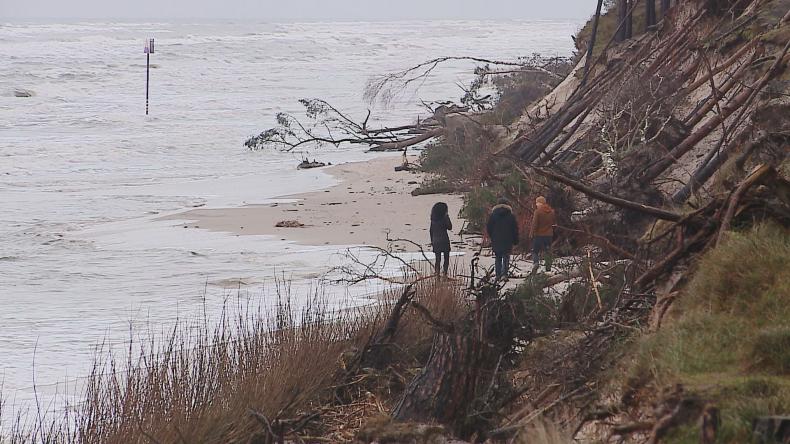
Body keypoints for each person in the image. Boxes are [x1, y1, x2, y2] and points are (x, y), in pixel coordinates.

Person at [486, 198, 519, 279]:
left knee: (498, 257)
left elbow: (489, 227)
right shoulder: (511, 216)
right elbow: (515, 229)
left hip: (496, 239)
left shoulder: (493, 215)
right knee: (506, 257)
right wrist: (515, 240)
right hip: (508, 239)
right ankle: (504, 274)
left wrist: (492, 236)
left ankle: (498, 275)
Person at [530, 196, 556, 272]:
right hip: (549, 235)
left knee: (535, 251)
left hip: (539, 235)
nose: (536, 204)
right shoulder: (552, 212)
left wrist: (531, 233)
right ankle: (548, 267)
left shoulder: (537, 212)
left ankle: (536, 263)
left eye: (537, 203)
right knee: (548, 252)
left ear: (540, 203)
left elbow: (534, 224)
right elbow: (553, 223)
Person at [429, 202, 453, 276]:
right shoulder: (444, 218)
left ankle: (437, 274)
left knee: (437, 259)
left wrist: (432, 241)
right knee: (446, 259)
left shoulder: (433, 220)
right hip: (444, 240)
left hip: (436, 241)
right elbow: (450, 227)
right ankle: (445, 273)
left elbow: (431, 231)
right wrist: (447, 217)